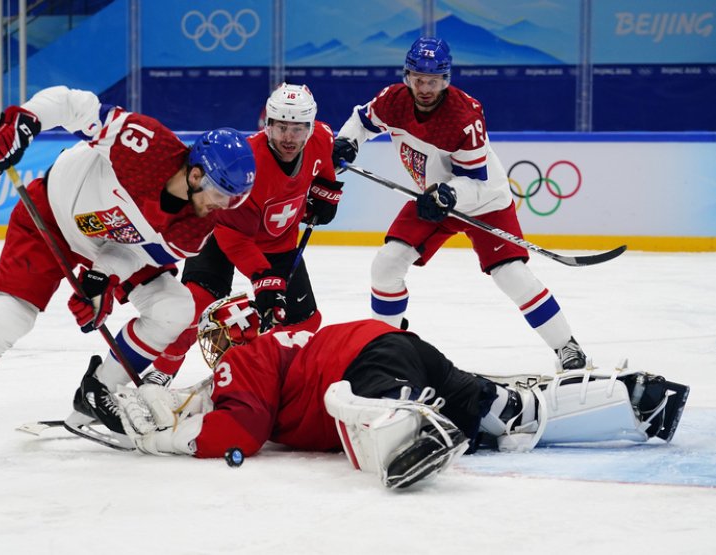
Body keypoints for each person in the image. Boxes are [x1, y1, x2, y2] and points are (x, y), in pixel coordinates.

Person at [0, 86, 256, 454]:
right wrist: (24, 123)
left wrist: (102, 277)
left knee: (176, 308)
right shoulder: (146, 145)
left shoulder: (198, 224)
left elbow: (140, 254)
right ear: (197, 174)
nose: (224, 206)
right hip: (50, 217)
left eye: (234, 199)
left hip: (108, 246)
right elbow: (73, 105)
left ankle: (97, 393)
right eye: (221, 193)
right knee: (10, 319)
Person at [110, 294, 689, 489]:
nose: (213, 348)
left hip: (368, 365)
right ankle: (632, 401)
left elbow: (242, 431)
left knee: (356, 412)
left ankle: (407, 422)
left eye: (217, 337)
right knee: (504, 415)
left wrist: (162, 441)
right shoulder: (281, 345)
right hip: (398, 346)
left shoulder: (246, 357)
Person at [331, 37, 588, 371]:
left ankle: (566, 346)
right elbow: (362, 121)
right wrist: (346, 142)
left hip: (482, 199)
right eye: (418, 79)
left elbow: (476, 181)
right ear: (407, 76)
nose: (425, 87)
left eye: (433, 80)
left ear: (446, 79)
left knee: (511, 275)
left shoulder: (463, 117)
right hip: (434, 199)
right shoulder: (393, 100)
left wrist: (448, 196)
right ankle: (387, 343)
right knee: (387, 264)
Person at [149, 83, 341, 381]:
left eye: (298, 130)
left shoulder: (322, 137)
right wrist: (264, 280)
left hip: (278, 242)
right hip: (223, 233)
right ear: (268, 126)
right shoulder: (246, 163)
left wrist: (326, 191)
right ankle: (159, 376)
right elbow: (233, 235)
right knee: (194, 303)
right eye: (281, 128)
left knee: (304, 322)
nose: (289, 138)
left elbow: (323, 162)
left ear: (310, 128)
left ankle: (256, 368)